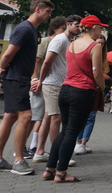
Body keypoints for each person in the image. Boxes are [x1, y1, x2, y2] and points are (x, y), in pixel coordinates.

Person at [0, 0, 54, 176]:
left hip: (17, 79)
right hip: (16, 79)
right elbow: (8, 53)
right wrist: (1, 69)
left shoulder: (32, 30)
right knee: (26, 116)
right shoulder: (24, 29)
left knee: (9, 117)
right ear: (38, 9)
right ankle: (19, 160)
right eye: (48, 11)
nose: (49, 16)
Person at [42, 14, 107, 183]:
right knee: (72, 133)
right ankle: (61, 172)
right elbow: (96, 72)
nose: (101, 32)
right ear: (93, 28)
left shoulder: (71, 45)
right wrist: (102, 87)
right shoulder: (95, 46)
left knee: (64, 131)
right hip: (82, 92)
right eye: (100, 28)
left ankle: (50, 169)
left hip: (65, 90)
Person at [35, 15, 82, 164]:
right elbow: (47, 60)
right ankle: (58, 156)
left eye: (80, 26)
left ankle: (39, 152)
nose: (79, 28)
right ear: (68, 25)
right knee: (57, 119)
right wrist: (40, 80)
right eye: (76, 25)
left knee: (48, 117)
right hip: (53, 84)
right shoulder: (60, 39)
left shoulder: (69, 41)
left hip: (59, 83)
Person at [29, 16, 67, 161]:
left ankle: (39, 150)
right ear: (54, 29)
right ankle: (37, 149)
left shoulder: (64, 42)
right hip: (44, 83)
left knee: (46, 116)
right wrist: (35, 79)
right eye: (63, 28)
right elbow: (37, 61)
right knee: (39, 116)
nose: (64, 31)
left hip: (54, 82)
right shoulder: (46, 41)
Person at [74, 34, 109, 155]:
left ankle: (83, 143)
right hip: (86, 87)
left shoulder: (103, 57)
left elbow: (102, 71)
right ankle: (78, 142)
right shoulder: (88, 51)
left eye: (102, 44)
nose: (99, 45)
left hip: (96, 89)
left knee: (90, 117)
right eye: (98, 42)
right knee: (81, 116)